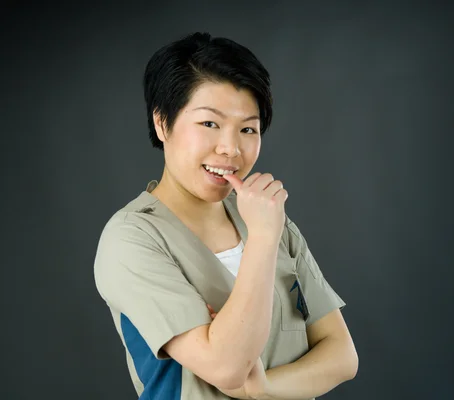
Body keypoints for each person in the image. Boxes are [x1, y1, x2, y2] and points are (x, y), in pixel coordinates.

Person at [94, 32, 358, 399]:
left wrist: (264, 391)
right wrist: (263, 240)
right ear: (161, 123)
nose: (230, 148)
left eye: (248, 129)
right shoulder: (132, 238)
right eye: (209, 124)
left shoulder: (268, 220)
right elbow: (226, 368)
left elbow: (342, 355)